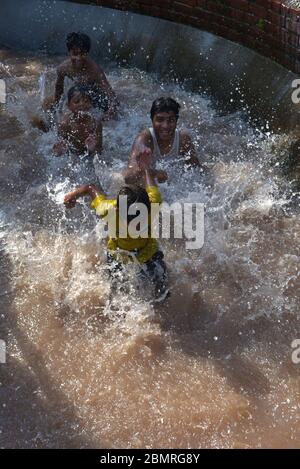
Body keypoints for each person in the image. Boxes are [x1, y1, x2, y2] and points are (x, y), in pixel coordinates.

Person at [63, 163, 169, 302]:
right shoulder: (108, 210)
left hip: (149, 251)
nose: (137, 227)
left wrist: (151, 171)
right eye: (132, 221)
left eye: (142, 220)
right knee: (115, 295)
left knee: (162, 292)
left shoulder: (153, 203)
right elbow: (91, 188)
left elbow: (150, 182)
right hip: (119, 254)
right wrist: (73, 195)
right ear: (118, 211)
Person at [33, 32, 118, 131]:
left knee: (106, 115)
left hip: (96, 97)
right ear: (69, 53)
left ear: (87, 53)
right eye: (75, 54)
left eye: (83, 54)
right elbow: (59, 89)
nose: (79, 58)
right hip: (81, 94)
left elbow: (108, 91)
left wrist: (112, 108)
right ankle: (49, 127)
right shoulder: (63, 68)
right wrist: (55, 105)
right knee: (47, 104)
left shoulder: (94, 70)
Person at [123, 97, 200, 184]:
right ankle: (121, 198)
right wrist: (141, 168)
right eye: (160, 120)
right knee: (122, 188)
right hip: (148, 184)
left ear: (176, 121)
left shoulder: (183, 140)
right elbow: (128, 178)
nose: (165, 126)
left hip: (168, 184)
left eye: (171, 120)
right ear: (152, 120)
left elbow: (196, 172)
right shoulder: (145, 139)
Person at [53, 84, 102, 156]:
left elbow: (100, 150)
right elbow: (59, 152)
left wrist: (92, 148)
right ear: (68, 105)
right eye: (76, 101)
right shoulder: (64, 124)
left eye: (86, 101)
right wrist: (59, 151)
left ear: (91, 104)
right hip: (73, 157)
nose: (82, 104)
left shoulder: (95, 123)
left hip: (89, 156)